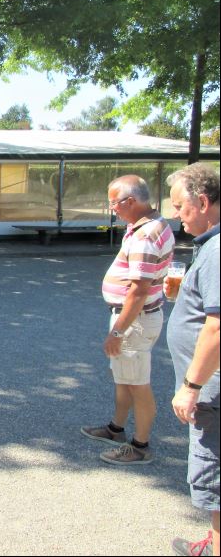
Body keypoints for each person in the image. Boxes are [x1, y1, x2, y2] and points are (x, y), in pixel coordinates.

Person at [81, 175, 175, 465]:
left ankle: (140, 446)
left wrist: (118, 332)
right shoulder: (147, 226)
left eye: (114, 203)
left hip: (134, 321)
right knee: (124, 377)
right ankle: (116, 429)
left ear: (131, 201)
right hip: (133, 319)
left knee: (137, 383)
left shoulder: (145, 235)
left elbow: (138, 290)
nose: (112, 209)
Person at [164, 164, 219, 557]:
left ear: (202, 202)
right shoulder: (210, 247)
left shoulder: (217, 251)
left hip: (212, 391)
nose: (177, 215)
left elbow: (217, 329)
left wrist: (192, 386)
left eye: (181, 206)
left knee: (214, 479)